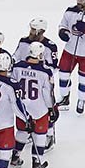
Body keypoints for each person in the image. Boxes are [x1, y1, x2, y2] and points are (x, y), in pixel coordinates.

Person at [13, 18, 60, 149]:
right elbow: (16, 56)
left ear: (41, 31)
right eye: (31, 28)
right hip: (24, 78)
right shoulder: (23, 41)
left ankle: (48, 135)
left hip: (42, 81)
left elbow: (54, 67)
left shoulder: (50, 46)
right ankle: (28, 131)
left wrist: (38, 70)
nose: (31, 31)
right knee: (26, 107)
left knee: (47, 108)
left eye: (34, 29)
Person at [11, 42, 55, 168]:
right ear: (41, 54)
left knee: (22, 132)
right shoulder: (45, 71)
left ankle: (15, 158)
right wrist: (51, 108)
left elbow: (13, 87)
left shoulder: (17, 67)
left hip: (22, 109)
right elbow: (47, 94)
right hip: (39, 109)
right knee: (40, 135)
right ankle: (37, 165)